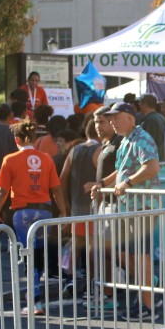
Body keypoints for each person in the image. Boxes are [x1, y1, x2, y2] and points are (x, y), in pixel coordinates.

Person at [93, 101, 161, 319]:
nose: (112, 122)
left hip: (141, 206)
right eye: (110, 118)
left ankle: (149, 306)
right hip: (128, 207)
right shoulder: (125, 140)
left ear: (130, 119)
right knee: (129, 254)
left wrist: (128, 183)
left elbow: (151, 166)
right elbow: (121, 171)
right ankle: (146, 298)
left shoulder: (141, 138)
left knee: (140, 255)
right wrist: (102, 184)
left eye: (116, 117)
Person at [0, 120, 67, 315]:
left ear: (17, 139)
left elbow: (2, 191)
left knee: (28, 255)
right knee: (39, 254)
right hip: (45, 211)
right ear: (34, 138)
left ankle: (34, 301)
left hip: (22, 213)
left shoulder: (10, 159)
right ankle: (35, 295)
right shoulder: (46, 159)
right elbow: (56, 189)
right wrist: (63, 211)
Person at [60, 118, 102, 299]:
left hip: (76, 205)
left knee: (76, 244)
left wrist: (66, 203)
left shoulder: (74, 150)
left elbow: (62, 178)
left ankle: (70, 279)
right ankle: (91, 284)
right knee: (92, 246)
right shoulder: (99, 151)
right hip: (93, 206)